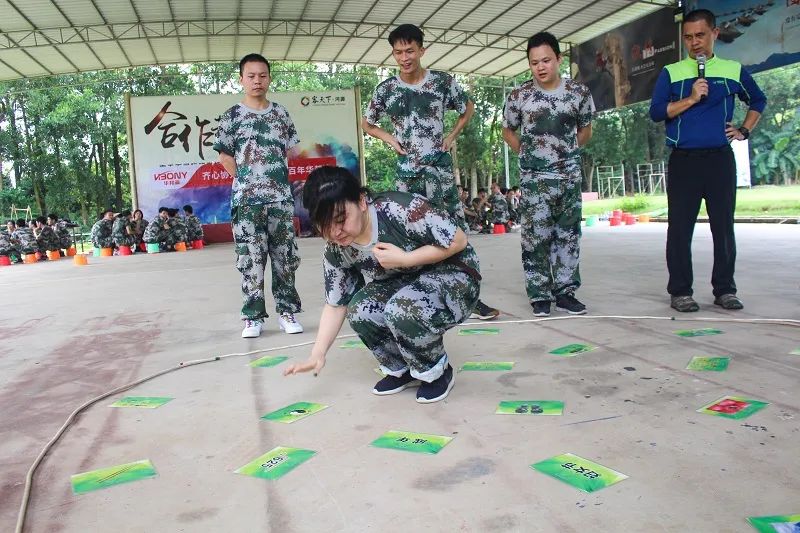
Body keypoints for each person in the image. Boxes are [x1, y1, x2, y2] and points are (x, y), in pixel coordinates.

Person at [284, 166, 480, 404]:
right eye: (324, 225)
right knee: (360, 310)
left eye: (341, 220)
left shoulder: (401, 209)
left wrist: (406, 259)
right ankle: (402, 369)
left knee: (402, 308)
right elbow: (336, 304)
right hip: (407, 282)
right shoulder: (336, 249)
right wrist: (317, 354)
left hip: (455, 275)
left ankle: (435, 372)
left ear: (361, 201)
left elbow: (458, 240)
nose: (335, 232)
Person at [362, 23, 499, 321]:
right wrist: (389, 138)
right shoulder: (386, 89)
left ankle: (469, 296)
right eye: (398, 52)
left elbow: (467, 108)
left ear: (422, 50)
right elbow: (367, 123)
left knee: (454, 229)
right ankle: (415, 294)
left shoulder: (442, 82)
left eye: (410, 51)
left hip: (439, 172)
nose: (404, 58)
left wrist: (452, 136)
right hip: (406, 175)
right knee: (409, 233)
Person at [649, 9, 766, 312]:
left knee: (723, 228)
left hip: (719, 160)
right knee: (679, 229)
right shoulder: (671, 72)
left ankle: (725, 289)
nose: (694, 42)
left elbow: (758, 100)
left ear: (714, 33)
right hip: (684, 161)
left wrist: (744, 129)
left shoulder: (732, 70)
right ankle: (680, 292)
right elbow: (657, 112)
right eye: (688, 37)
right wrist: (690, 98)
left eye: (700, 35)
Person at [502, 31, 595, 317]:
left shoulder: (578, 93)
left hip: (568, 178)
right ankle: (539, 294)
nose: (540, 67)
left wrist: (565, 153)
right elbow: (508, 131)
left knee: (568, 235)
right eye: (534, 63)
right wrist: (527, 153)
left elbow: (586, 130)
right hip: (534, 180)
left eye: (546, 60)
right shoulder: (519, 96)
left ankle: (565, 292)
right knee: (535, 237)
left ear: (558, 59)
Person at [214, 53, 303, 338]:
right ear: (241, 79)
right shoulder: (231, 116)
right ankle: (253, 317)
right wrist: (247, 182)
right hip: (246, 202)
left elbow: (292, 150)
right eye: (251, 76)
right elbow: (225, 157)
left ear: (269, 78)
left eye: (262, 75)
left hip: (280, 200)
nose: (257, 81)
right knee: (251, 259)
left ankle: (287, 313)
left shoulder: (281, 114)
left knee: (284, 257)